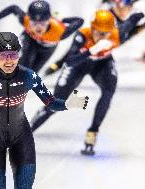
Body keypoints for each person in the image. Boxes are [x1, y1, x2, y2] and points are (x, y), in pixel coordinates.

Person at [0, 32, 88, 189]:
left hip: (21, 136)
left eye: (13, 55)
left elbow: (51, 103)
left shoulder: (28, 76)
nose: (9, 61)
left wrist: (68, 104)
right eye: (4, 56)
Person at [30, 10, 144, 155]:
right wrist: (92, 50)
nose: (101, 37)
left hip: (102, 64)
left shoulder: (118, 33)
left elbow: (134, 18)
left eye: (105, 33)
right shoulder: (82, 36)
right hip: (79, 64)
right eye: (98, 32)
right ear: (92, 28)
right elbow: (70, 61)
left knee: (109, 90)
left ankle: (92, 132)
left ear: (111, 31)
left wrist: (141, 13)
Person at [44, 0, 145, 77]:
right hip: (106, 27)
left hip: (116, 31)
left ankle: (57, 65)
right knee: (74, 53)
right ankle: (57, 65)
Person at [0, 0, 83, 73]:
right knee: (20, 66)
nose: (38, 28)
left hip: (47, 49)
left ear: (49, 20)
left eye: (42, 23)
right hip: (30, 40)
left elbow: (80, 21)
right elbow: (13, 8)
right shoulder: (25, 19)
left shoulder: (60, 32)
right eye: (34, 23)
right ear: (29, 19)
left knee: (31, 74)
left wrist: (63, 19)